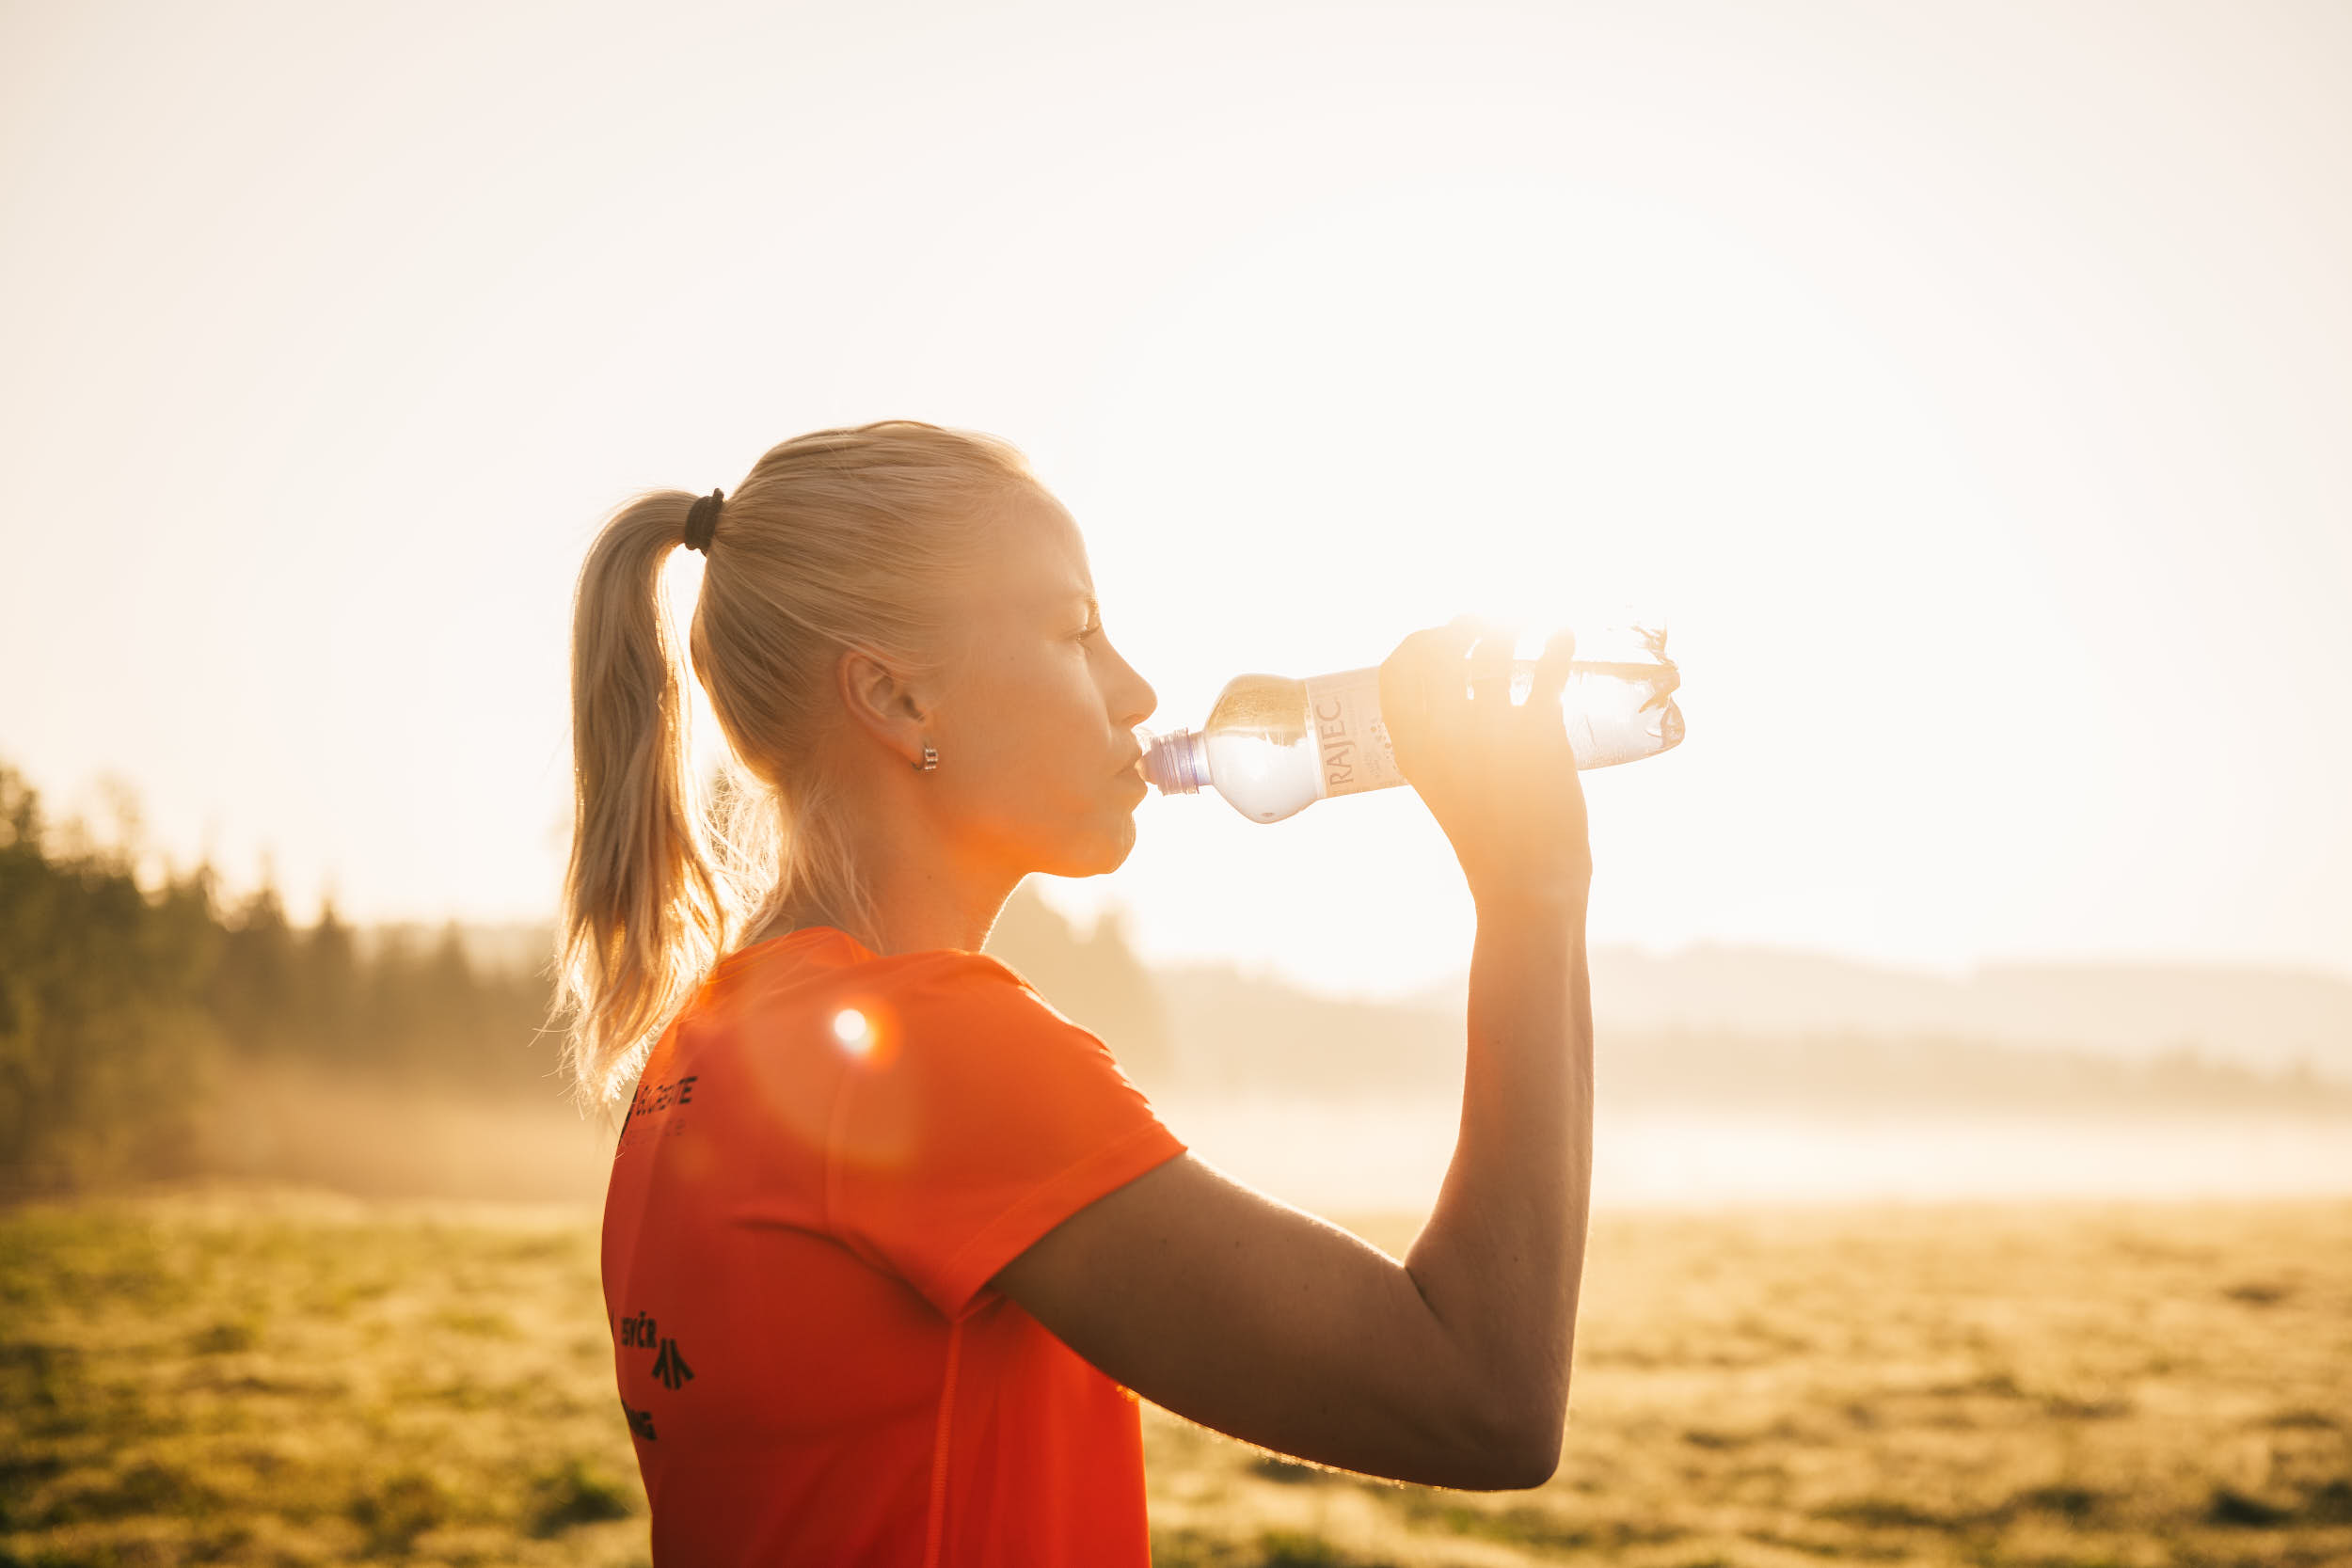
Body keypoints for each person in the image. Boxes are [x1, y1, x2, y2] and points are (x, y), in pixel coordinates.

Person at [552, 419, 1595, 1565]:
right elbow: (1482, 1394)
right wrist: (1532, 892)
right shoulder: (927, 1049)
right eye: (1076, 631)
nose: (1137, 689)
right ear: (897, 700)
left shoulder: (705, 1046)